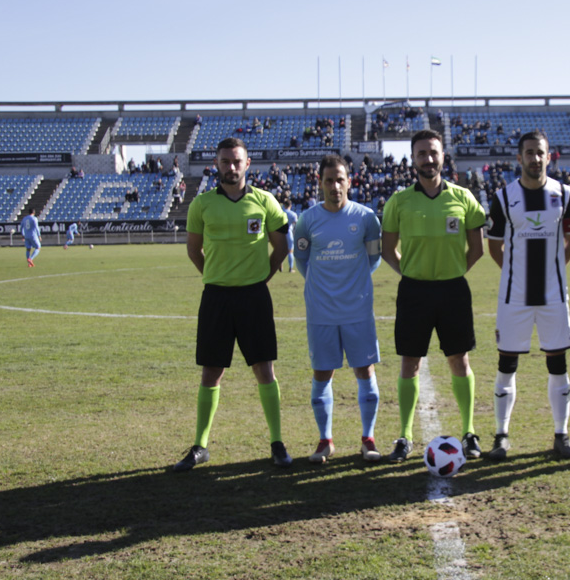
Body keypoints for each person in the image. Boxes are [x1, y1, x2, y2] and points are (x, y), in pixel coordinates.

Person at [173, 137, 292, 472]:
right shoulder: (202, 205)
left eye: (237, 161)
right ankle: (200, 446)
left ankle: (277, 443)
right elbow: (194, 250)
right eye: (225, 161)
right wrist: (213, 276)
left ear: (247, 163)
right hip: (216, 297)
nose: (231, 167)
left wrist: (261, 277)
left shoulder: (265, 201)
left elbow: (282, 248)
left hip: (254, 296)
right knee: (211, 371)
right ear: (217, 164)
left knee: (264, 369)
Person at [381, 129, 487, 462]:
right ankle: (405, 436)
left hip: (454, 289)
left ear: (443, 156)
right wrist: (411, 275)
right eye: (422, 153)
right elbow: (387, 249)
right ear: (412, 159)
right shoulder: (399, 201)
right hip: (414, 290)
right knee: (409, 363)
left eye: (434, 152)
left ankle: (469, 431)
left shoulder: (463, 196)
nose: (428, 159)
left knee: (460, 360)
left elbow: (477, 248)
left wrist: (451, 272)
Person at [485, 131, 570, 461]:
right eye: (529, 153)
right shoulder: (502, 197)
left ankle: (561, 434)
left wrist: (555, 268)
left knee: (558, 363)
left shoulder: (564, 194)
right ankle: (501, 436)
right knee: (507, 363)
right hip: (515, 297)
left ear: (549, 156)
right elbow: (494, 246)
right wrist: (515, 272)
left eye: (540, 153)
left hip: (554, 296)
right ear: (519, 158)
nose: (534, 158)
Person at [293, 155, 385, 463]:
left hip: (358, 310)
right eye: (329, 180)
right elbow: (303, 261)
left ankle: (368, 439)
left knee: (365, 370)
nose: (335, 186)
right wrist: (323, 287)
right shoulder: (307, 220)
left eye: (340, 179)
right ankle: (325, 441)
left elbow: (373, 259)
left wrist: (352, 285)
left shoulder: (367, 217)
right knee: (322, 373)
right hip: (321, 312)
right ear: (320, 182)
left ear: (350, 180)